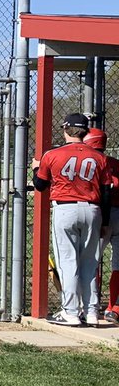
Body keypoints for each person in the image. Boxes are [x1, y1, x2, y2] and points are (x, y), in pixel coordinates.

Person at [32, 113, 112, 326]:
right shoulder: (99, 157)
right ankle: (92, 311)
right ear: (85, 131)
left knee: (68, 262)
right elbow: (106, 193)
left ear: (66, 129)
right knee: (90, 262)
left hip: (65, 208)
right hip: (93, 210)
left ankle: (71, 312)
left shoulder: (53, 154)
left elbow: (40, 186)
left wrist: (34, 168)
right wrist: (104, 222)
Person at [84, 128, 119, 323]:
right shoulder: (115, 163)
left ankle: (90, 307)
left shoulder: (92, 162)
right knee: (118, 266)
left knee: (90, 262)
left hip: (100, 215)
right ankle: (114, 309)